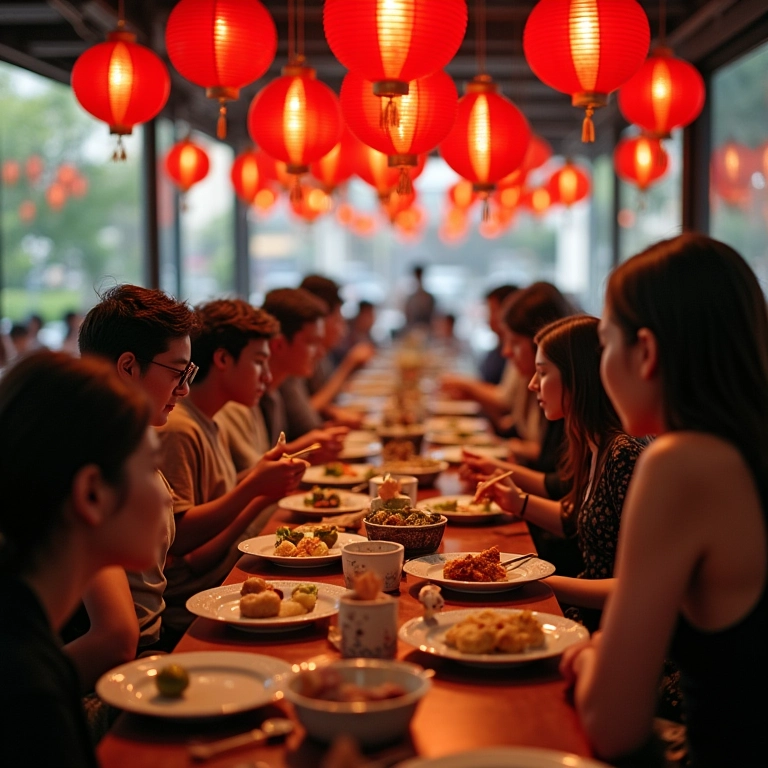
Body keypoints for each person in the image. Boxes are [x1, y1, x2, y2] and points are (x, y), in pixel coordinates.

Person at [560, 234, 767, 766]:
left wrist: (586, 659)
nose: (602, 365)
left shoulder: (681, 464)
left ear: (646, 352)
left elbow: (613, 726)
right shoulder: (743, 451)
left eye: (606, 343)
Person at [0, 351, 167, 766]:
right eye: (151, 469)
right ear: (91, 494)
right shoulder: (27, 696)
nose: (166, 498)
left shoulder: (29, 636)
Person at [477, 315, 645, 632]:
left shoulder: (623, 453)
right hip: (586, 614)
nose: (532, 384)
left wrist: (533, 581)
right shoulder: (591, 442)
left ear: (576, 376)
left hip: (606, 629)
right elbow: (577, 518)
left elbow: (634, 589)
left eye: (542, 373)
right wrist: (518, 501)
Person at [156, 299, 307, 634]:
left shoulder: (209, 418)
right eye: (259, 362)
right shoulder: (178, 428)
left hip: (221, 573)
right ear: (223, 359)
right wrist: (257, 491)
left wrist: (257, 477)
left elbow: (217, 493)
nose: (268, 376)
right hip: (196, 596)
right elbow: (182, 542)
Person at [77, 285, 198, 658]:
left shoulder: (129, 441)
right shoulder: (93, 464)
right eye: (177, 372)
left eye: (189, 373)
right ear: (128, 366)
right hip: (128, 664)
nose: (184, 390)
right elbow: (116, 637)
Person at [300, 274, 375, 426]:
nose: (342, 329)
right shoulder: (297, 352)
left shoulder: (319, 353)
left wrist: (332, 411)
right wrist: (349, 363)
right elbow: (306, 413)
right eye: (338, 319)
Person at [403, 264, 436, 332]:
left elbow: (433, 316)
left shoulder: (428, 298)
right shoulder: (411, 298)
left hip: (427, 330)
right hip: (413, 330)